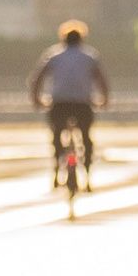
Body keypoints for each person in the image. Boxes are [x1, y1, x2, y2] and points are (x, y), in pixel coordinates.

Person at [29, 21, 110, 189]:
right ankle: (87, 175)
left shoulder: (53, 55)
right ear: (82, 39)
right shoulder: (89, 56)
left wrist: (37, 99)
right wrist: (104, 99)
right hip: (82, 103)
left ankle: (57, 169)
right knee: (86, 137)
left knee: (57, 135)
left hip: (60, 103)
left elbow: (37, 79)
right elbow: (101, 79)